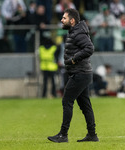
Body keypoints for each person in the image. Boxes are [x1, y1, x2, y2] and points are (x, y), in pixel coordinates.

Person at [47, 8, 99, 143]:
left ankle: (63, 135)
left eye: (64, 18)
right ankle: (92, 135)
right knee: (85, 105)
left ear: (72, 20)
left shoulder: (78, 33)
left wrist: (74, 59)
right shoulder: (75, 32)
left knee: (67, 101)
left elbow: (89, 48)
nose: (61, 20)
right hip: (82, 73)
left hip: (80, 73)